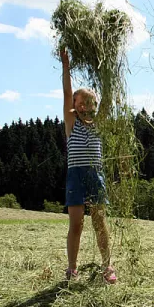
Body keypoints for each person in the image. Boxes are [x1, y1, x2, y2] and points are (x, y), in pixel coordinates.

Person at [61, 48, 117, 283]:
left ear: (93, 104)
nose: (84, 103)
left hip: (95, 175)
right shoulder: (71, 122)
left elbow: (110, 92)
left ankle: (108, 267)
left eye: (88, 100)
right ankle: (72, 268)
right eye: (79, 100)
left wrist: (108, 62)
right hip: (76, 175)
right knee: (77, 224)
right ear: (74, 105)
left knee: (99, 223)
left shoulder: (98, 122)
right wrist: (66, 65)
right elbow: (66, 92)